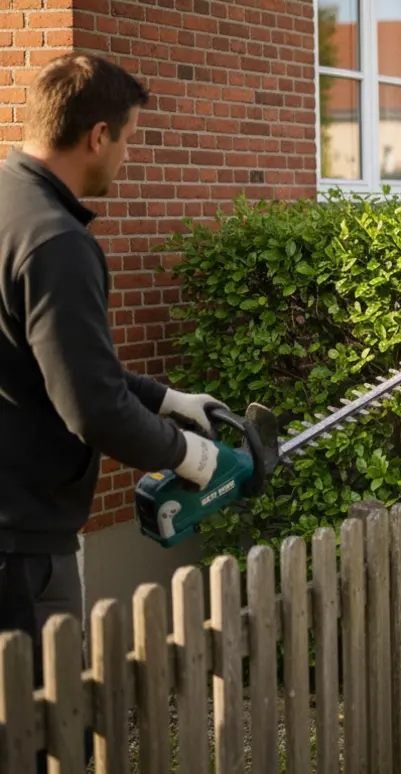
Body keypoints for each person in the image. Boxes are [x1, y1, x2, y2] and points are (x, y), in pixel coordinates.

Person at [0, 54, 227, 650]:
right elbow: (92, 407)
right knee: (41, 735)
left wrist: (164, 397)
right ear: (98, 136)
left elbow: (47, 360)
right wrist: (194, 459)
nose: (126, 157)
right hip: (21, 553)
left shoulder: (7, 207)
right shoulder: (55, 240)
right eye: (126, 140)